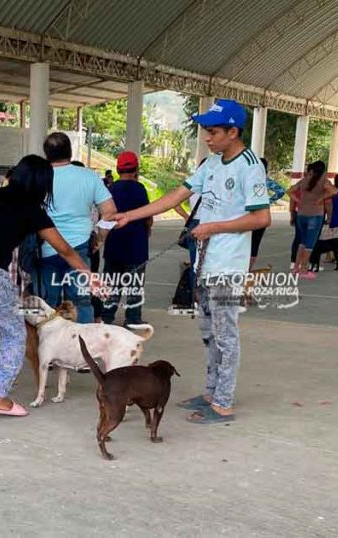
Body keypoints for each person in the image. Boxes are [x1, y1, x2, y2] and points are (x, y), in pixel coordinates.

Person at [114, 99, 270, 424]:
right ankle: (211, 392)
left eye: (213, 132)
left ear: (233, 131)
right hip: (203, 263)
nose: (208, 139)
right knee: (208, 333)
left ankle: (223, 403)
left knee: (226, 335)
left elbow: (261, 218)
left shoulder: (250, 166)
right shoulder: (211, 164)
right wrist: (130, 215)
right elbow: (177, 195)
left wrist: (215, 227)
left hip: (227, 267)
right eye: (206, 132)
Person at [0, 154, 98, 417]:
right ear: (43, 183)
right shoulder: (32, 209)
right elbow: (64, 249)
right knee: (15, 335)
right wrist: (88, 273)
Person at [39, 132, 114, 323]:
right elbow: (110, 212)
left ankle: (49, 349)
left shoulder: (39, 177)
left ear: (46, 154)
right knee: (81, 300)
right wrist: (99, 237)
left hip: (46, 248)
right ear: (70, 152)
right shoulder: (89, 176)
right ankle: (83, 348)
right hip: (79, 249)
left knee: (47, 303)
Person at [99, 151, 151, 326]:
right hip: (136, 245)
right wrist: (148, 228)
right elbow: (148, 216)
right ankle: (133, 318)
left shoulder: (110, 189)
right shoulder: (140, 189)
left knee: (112, 283)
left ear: (117, 169)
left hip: (114, 244)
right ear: (136, 169)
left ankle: (106, 316)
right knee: (135, 284)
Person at [288, 161, 335, 279]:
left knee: (302, 242)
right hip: (315, 214)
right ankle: (304, 269)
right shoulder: (323, 182)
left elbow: (289, 191)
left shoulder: (304, 181)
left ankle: (296, 268)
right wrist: (321, 198)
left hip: (301, 214)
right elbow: (334, 191)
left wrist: (298, 201)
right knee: (310, 243)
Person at [249, 158, 287, 269]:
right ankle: (247, 270)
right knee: (255, 244)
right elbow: (280, 191)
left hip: (246, 215)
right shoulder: (265, 181)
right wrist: (269, 201)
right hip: (261, 215)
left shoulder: (247, 179)